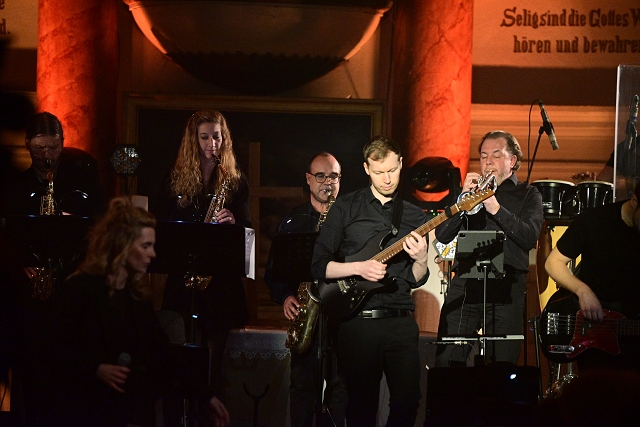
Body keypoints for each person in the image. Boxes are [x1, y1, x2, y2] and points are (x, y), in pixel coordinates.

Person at [48, 197, 230, 427]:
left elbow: (164, 350)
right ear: (122, 245)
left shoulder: (136, 298)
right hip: (81, 410)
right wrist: (95, 369)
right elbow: (51, 348)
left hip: (122, 413)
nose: (153, 254)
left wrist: (207, 396)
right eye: (145, 246)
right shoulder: (80, 289)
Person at [311, 136, 429, 427]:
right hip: (358, 322)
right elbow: (319, 265)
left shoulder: (414, 214)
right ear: (366, 169)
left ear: (401, 164)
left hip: (400, 320)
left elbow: (415, 279)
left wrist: (422, 259)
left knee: (408, 401)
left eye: (392, 170)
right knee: (361, 408)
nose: (387, 179)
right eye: (379, 172)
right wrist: (359, 268)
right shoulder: (345, 207)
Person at [154, 110, 250, 393]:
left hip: (220, 285)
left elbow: (248, 231)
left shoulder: (235, 180)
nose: (212, 144)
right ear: (193, 140)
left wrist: (234, 221)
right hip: (184, 282)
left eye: (217, 137)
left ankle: (210, 405)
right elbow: (162, 226)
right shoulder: (174, 180)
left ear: (224, 139)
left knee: (213, 364)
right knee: (180, 360)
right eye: (205, 137)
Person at [434, 130, 544, 366]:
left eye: (496, 155)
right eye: (483, 156)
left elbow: (529, 237)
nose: (488, 161)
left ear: (512, 161)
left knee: (501, 366)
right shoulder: (468, 193)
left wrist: (495, 208)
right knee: (448, 362)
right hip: (466, 283)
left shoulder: (528, 194)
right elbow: (442, 235)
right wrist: (462, 198)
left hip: (507, 285)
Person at [264, 152, 347, 427]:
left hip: (341, 316)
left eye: (333, 176)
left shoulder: (350, 219)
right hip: (307, 315)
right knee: (302, 389)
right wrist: (286, 297)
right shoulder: (293, 221)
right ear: (309, 179)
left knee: (340, 389)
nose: (327, 182)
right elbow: (274, 273)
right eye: (321, 176)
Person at [544, 180, 640, 371]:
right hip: (594, 332)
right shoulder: (595, 220)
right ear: (634, 201)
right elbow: (553, 262)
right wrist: (583, 291)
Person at [0, 111, 105, 217]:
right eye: (39, 148)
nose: (47, 155)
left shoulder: (85, 182)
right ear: (27, 144)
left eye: (54, 148)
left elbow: (102, 219)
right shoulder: (13, 188)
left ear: (62, 144)